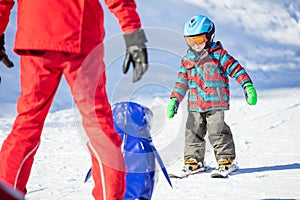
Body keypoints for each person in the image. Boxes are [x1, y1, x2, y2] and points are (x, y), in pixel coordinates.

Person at [0, 0, 148, 199]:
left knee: (27, 122)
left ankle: (6, 192)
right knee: (98, 124)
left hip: (36, 33)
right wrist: (132, 33)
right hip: (79, 33)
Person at [167, 15, 257, 175]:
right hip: (195, 104)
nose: (195, 45)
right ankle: (193, 161)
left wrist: (247, 85)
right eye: (190, 41)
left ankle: (226, 160)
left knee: (218, 131)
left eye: (199, 40)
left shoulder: (219, 56)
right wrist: (174, 99)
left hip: (215, 103)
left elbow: (236, 69)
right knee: (192, 132)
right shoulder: (187, 60)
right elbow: (182, 82)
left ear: (209, 37)